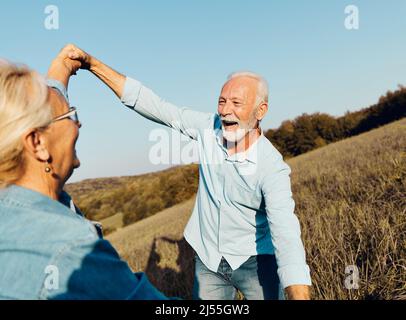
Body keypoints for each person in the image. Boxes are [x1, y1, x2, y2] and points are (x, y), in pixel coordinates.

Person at [65, 44, 312, 300]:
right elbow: (155, 105)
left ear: (260, 111)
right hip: (208, 261)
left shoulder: (272, 168)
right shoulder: (210, 127)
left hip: (256, 262)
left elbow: (286, 235)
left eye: (236, 103)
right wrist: (92, 64)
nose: (225, 110)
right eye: (222, 101)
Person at [0, 48, 167, 300]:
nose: (78, 125)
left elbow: (52, 100)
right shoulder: (70, 248)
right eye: (70, 115)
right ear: (37, 143)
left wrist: (63, 67)